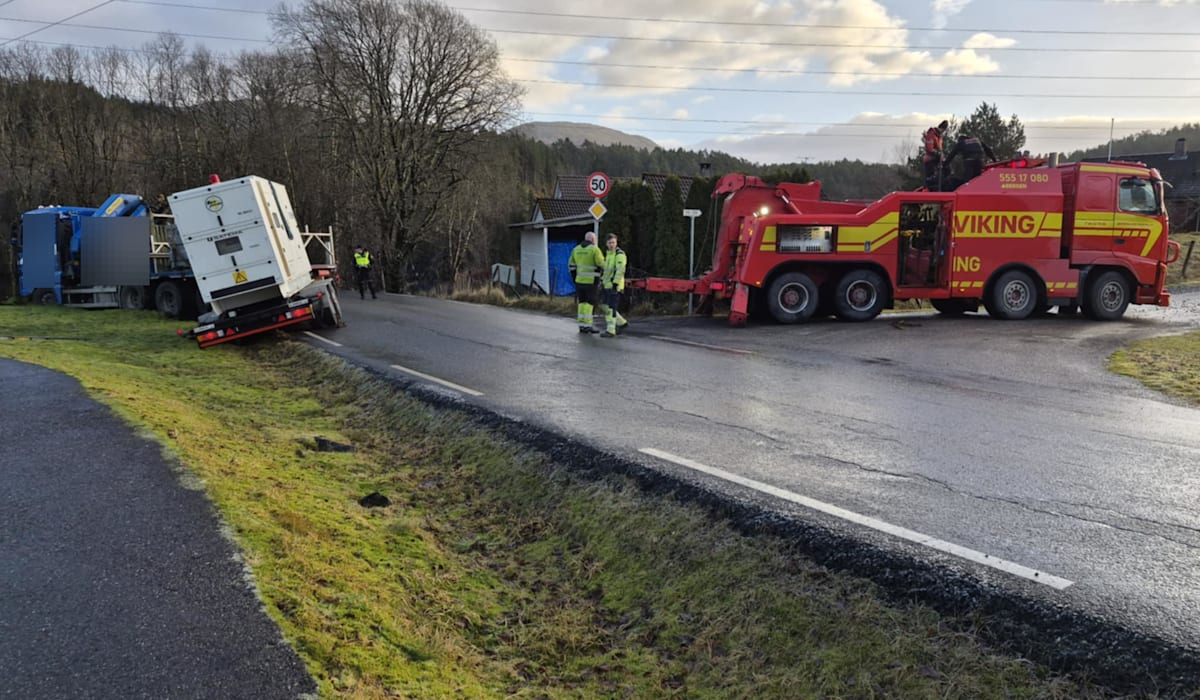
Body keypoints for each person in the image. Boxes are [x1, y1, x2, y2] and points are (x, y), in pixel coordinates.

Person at [568, 231, 605, 333]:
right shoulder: (594, 249)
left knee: (582, 303)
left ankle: (582, 325)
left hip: (579, 282)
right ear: (593, 240)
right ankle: (588, 325)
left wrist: (575, 277)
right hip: (591, 282)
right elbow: (601, 263)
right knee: (590, 304)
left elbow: (571, 265)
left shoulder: (576, 249)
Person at [599, 233, 629, 338]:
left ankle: (610, 330)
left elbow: (620, 270)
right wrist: (602, 281)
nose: (612, 244)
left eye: (613, 242)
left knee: (610, 309)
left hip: (614, 286)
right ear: (606, 244)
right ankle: (621, 323)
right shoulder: (609, 254)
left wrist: (615, 284)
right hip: (607, 285)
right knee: (605, 306)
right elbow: (607, 271)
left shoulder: (619, 254)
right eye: (610, 243)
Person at [922, 120, 949, 191]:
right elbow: (929, 148)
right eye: (943, 131)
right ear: (941, 129)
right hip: (930, 161)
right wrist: (938, 154)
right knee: (930, 180)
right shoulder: (931, 134)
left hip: (937, 160)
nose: (943, 133)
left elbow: (939, 148)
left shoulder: (939, 136)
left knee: (938, 179)